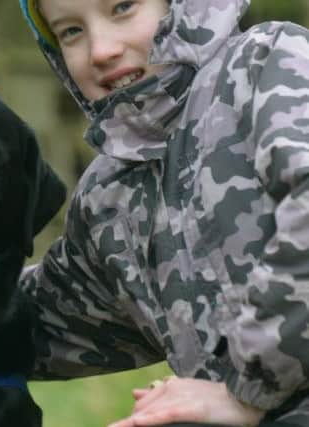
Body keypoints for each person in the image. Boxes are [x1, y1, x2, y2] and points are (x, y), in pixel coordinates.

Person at [17, 0, 309, 425]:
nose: (100, 50)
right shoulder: (108, 195)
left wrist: (247, 392)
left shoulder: (268, 63)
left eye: (122, 7)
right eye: (70, 32)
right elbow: (37, 319)